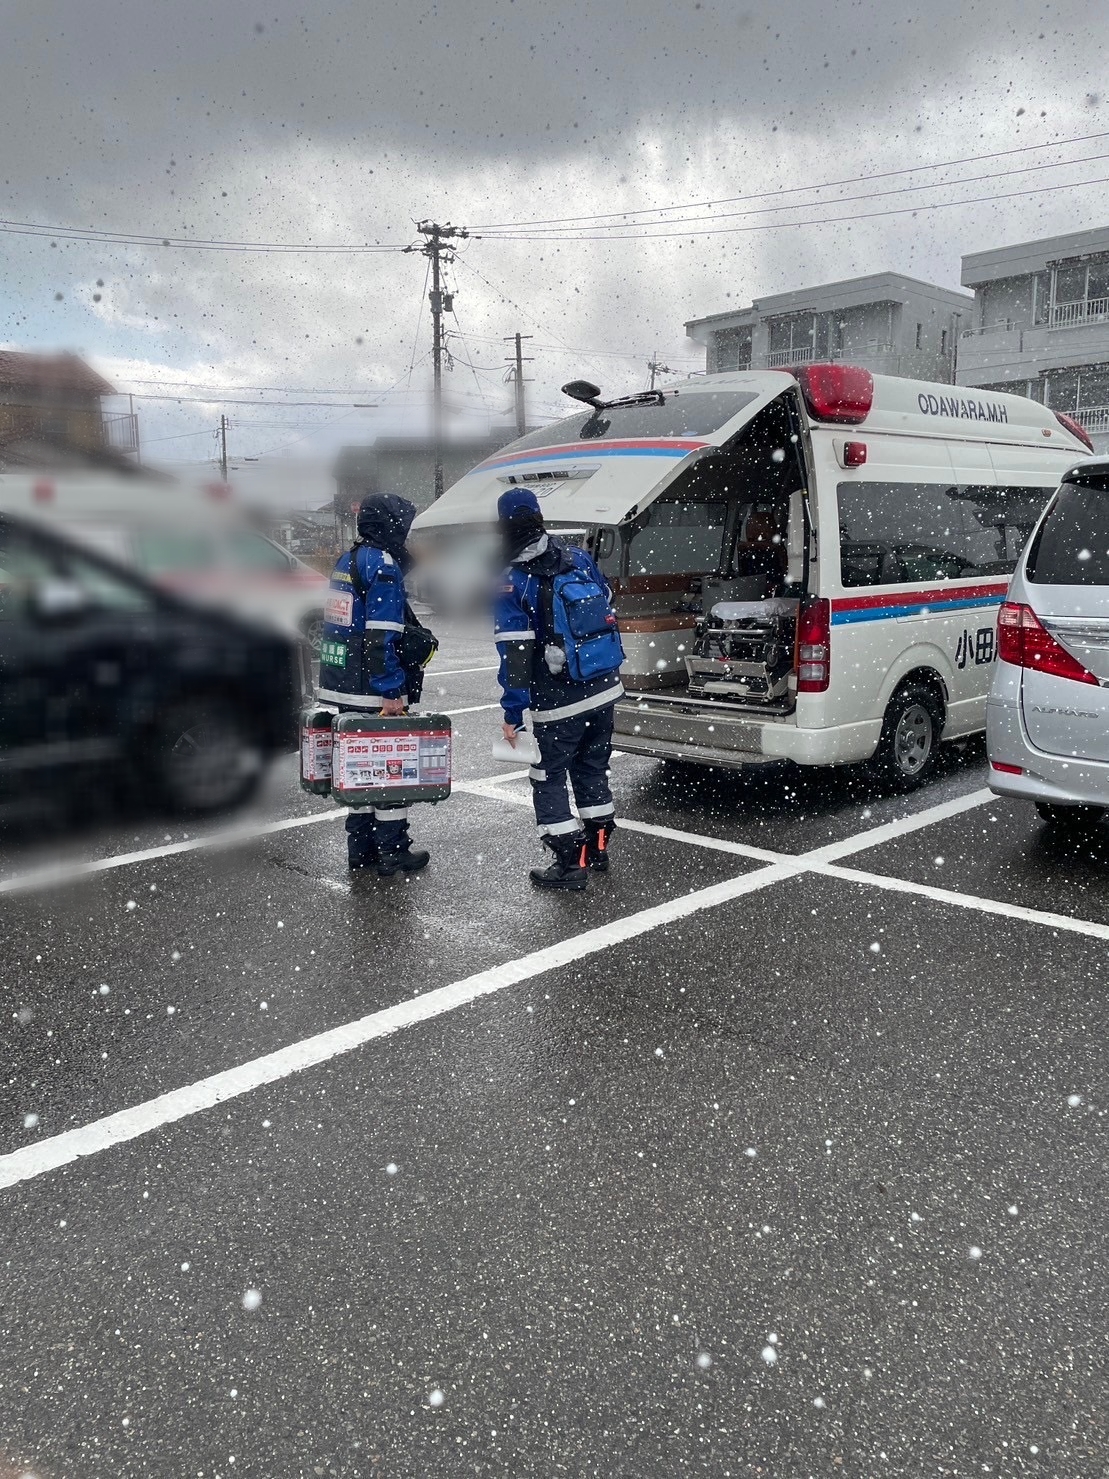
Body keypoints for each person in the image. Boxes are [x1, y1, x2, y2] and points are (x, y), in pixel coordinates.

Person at [494, 487, 623, 890]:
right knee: (592, 767)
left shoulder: (510, 579)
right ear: (538, 517)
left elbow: (515, 653)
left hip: (558, 700)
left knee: (548, 776)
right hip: (603, 686)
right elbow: (607, 602)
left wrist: (512, 713)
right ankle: (598, 847)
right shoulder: (579, 557)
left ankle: (570, 864)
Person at [317, 493, 432, 877]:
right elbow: (381, 635)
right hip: (370, 686)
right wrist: (392, 690)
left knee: (360, 769)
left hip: (341, 681)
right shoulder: (382, 566)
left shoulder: (345, 561)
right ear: (391, 525)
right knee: (389, 768)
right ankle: (392, 852)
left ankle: (361, 848)